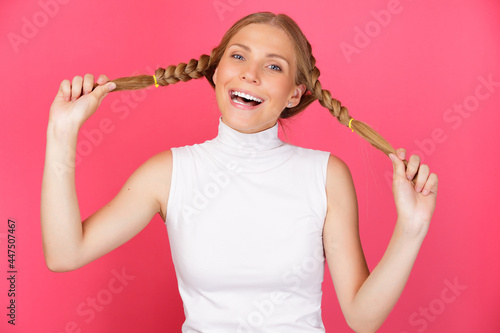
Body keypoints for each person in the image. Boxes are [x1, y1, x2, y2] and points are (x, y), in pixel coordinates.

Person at [41, 12, 438, 332]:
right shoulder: (169, 174)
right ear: (215, 73)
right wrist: (62, 132)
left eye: (274, 66)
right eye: (238, 56)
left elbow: (361, 318)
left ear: (295, 94)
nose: (251, 73)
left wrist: (411, 228)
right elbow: (64, 254)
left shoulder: (326, 176)